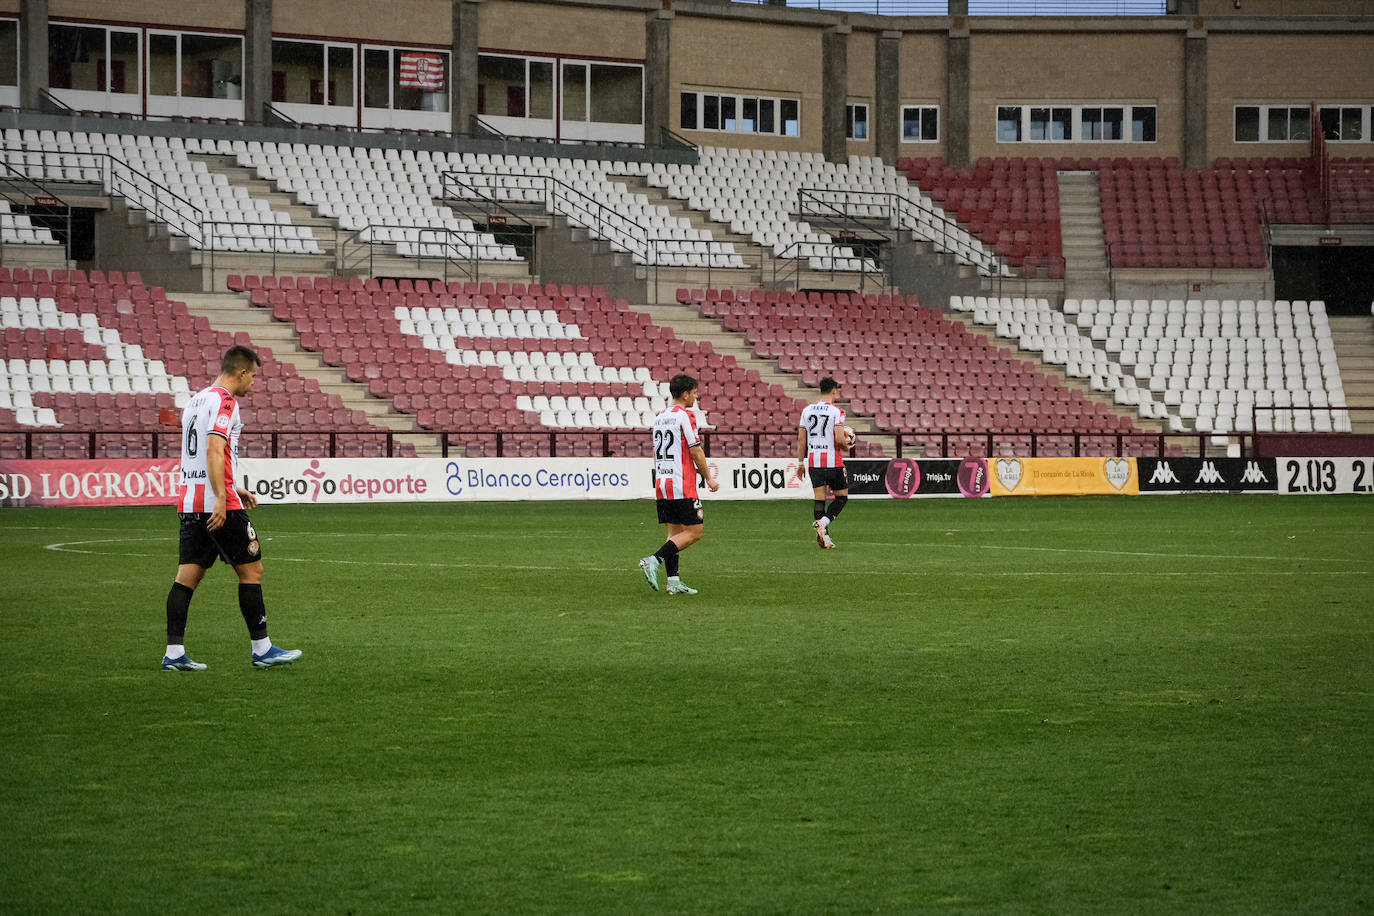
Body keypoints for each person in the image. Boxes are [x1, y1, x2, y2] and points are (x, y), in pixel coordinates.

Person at [161, 345, 301, 671]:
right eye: (253, 376)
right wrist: (224, 497)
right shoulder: (226, 401)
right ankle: (262, 648)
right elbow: (213, 448)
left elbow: (201, 456)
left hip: (190, 500)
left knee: (187, 577)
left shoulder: (195, 401)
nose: (253, 382)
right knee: (251, 570)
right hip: (216, 503)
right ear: (241, 372)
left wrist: (231, 485)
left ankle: (174, 653)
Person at [640, 373, 720, 595]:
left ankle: (673, 581)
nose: (696, 396)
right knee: (694, 532)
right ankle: (653, 560)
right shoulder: (686, 416)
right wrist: (709, 477)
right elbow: (695, 449)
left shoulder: (660, 417)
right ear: (685, 394)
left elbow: (657, 453)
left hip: (663, 482)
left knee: (674, 533)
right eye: (694, 392)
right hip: (681, 483)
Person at [795, 376, 851, 549]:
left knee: (820, 499)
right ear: (834, 391)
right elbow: (839, 438)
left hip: (814, 462)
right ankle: (823, 523)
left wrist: (800, 463)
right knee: (842, 497)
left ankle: (825, 539)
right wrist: (847, 445)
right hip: (833, 462)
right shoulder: (837, 411)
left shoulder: (807, 410)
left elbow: (801, 440)